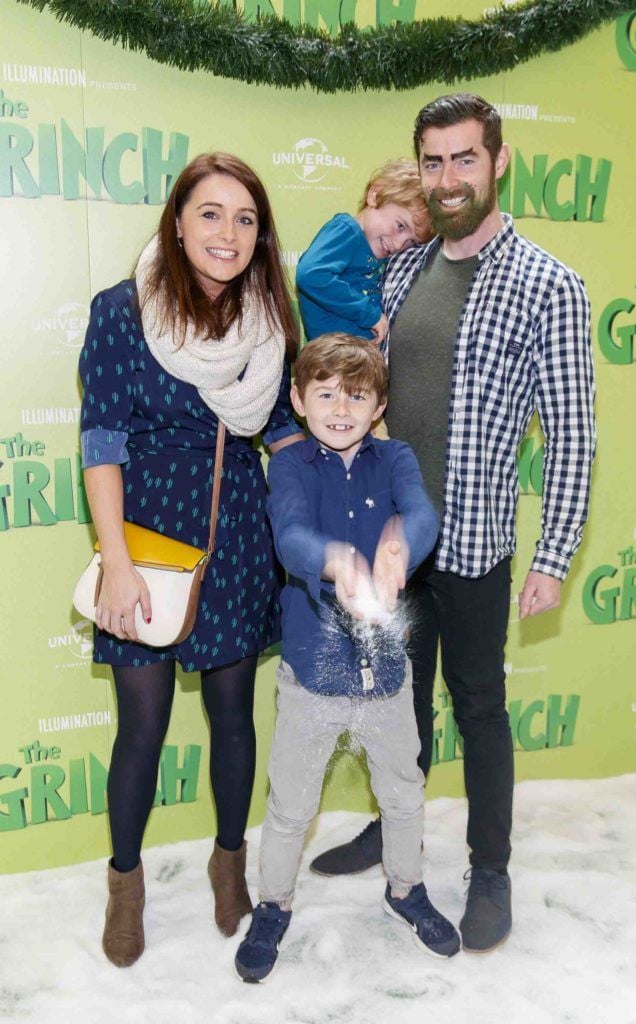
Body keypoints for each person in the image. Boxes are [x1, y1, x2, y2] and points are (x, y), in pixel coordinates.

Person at [310, 94, 596, 954]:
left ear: (498, 161)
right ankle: (393, 830)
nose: (447, 179)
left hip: (473, 546)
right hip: (395, 542)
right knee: (395, 702)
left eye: (463, 159)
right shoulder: (398, 270)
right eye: (431, 162)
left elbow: (573, 431)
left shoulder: (548, 283)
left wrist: (554, 553)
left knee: (478, 708)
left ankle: (492, 868)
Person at [78, 152, 303, 968]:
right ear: (177, 221)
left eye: (245, 219)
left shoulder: (270, 326)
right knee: (140, 723)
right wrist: (114, 561)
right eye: (210, 213)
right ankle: (125, 885)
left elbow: (279, 429)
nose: (228, 233)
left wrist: (339, 466)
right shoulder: (120, 312)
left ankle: (228, 865)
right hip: (145, 543)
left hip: (238, 535)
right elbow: (100, 441)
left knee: (233, 718)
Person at [234, 334, 459, 984]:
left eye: (356, 395)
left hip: (387, 674)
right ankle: (273, 905)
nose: (340, 408)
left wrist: (398, 548)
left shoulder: (396, 459)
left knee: (404, 795)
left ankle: (405, 887)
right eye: (325, 394)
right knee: (290, 809)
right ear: (299, 401)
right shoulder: (293, 466)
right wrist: (335, 558)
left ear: (377, 403)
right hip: (312, 676)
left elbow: (420, 515)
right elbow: (292, 533)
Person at [296, 159, 434, 348]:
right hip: (334, 361)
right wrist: (370, 315)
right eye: (400, 225)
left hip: (359, 359)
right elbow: (310, 274)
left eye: (412, 242)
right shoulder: (347, 230)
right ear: (375, 196)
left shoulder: (377, 248)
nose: (400, 244)